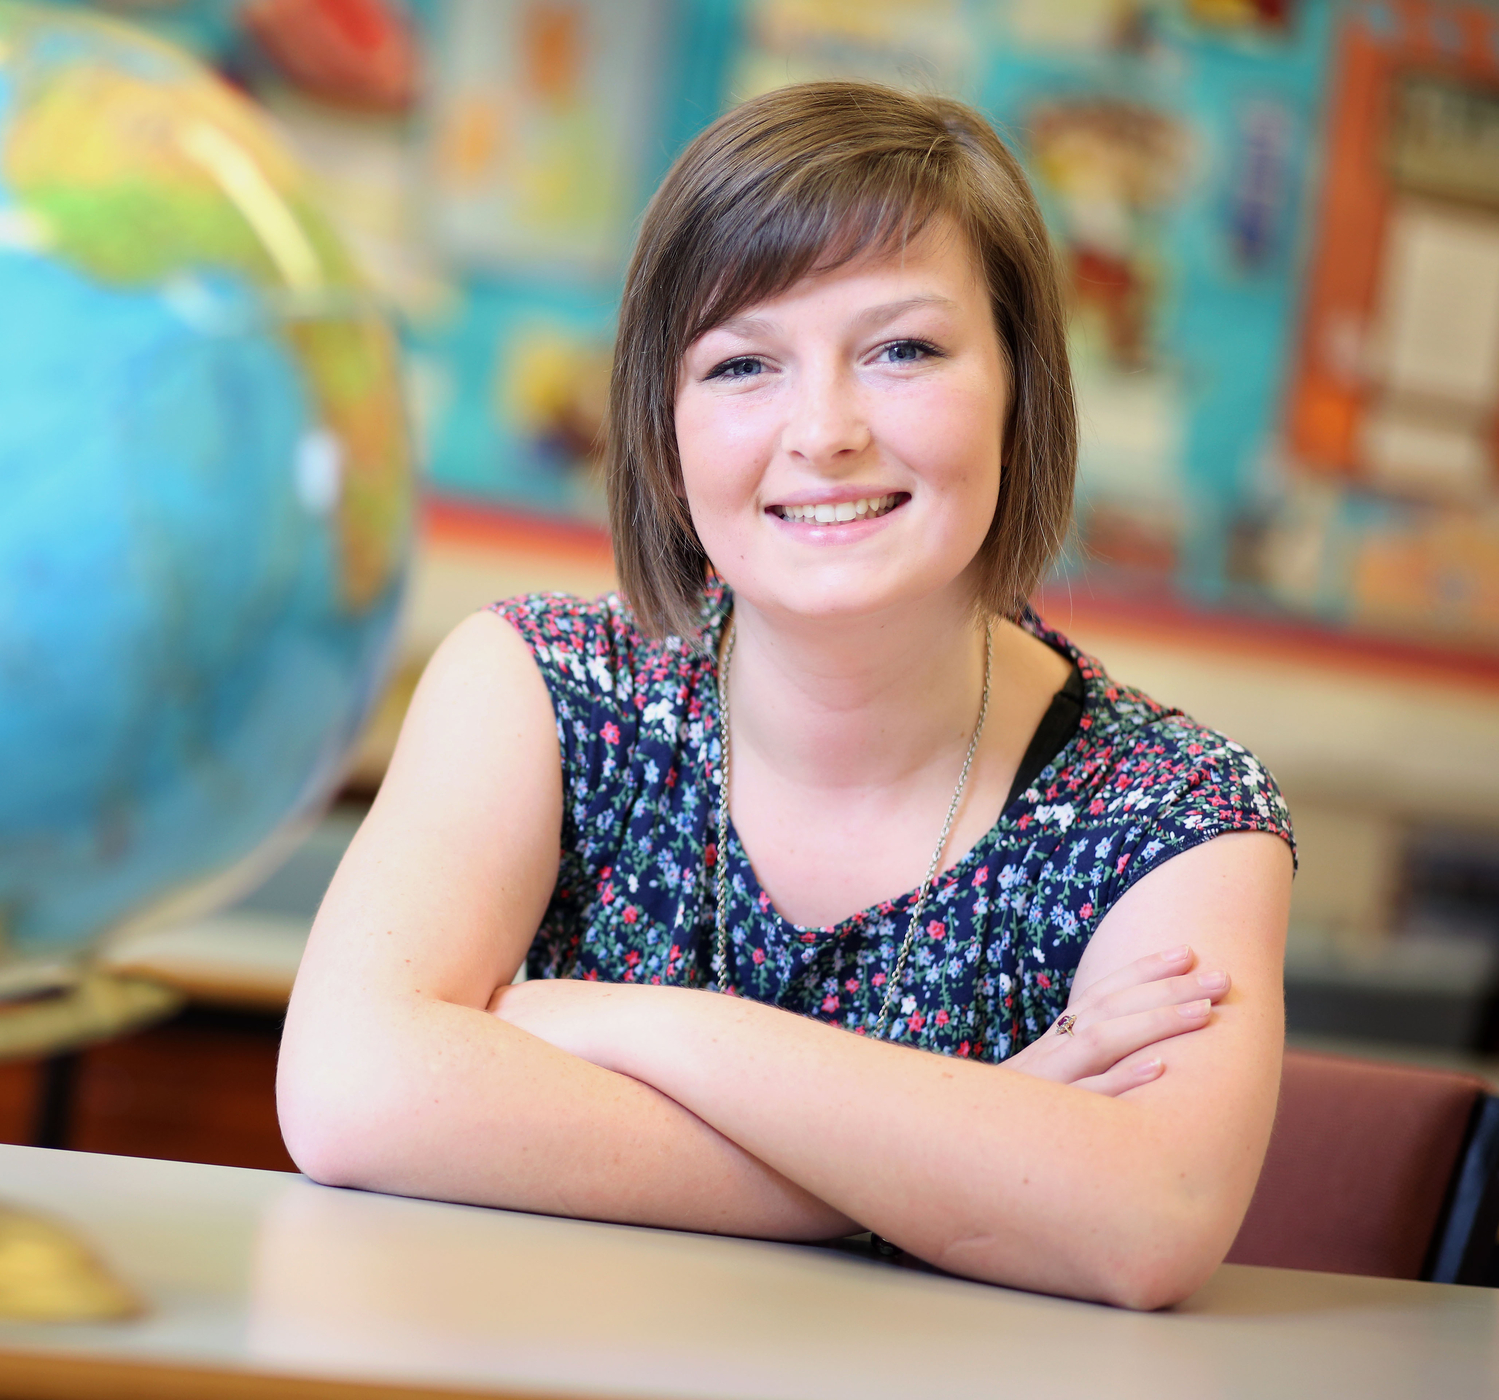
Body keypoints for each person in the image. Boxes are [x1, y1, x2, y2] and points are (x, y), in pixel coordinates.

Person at [276, 81, 1295, 1311]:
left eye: (903, 349)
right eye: (743, 363)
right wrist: (963, 1158)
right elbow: (349, 1090)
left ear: (1022, 390)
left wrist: (626, 1022)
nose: (823, 431)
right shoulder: (539, 685)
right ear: (664, 430)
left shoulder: (1177, 808)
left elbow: (1148, 1218)